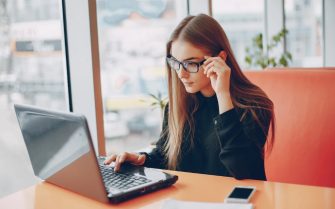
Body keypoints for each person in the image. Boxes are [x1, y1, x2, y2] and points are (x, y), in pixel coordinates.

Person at [104, 14, 275, 180]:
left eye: (191, 63)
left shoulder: (255, 106)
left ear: (220, 58)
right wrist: (142, 159)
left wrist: (223, 95)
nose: (181, 74)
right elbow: (167, 157)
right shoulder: (178, 105)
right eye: (176, 63)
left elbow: (242, 170)